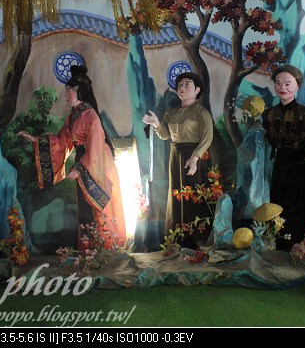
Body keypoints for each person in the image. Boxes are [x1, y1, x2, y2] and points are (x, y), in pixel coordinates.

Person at [17, 65, 125, 252]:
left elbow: (96, 146)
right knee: (84, 204)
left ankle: (104, 247)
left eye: (69, 91)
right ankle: (88, 247)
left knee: (96, 204)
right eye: (66, 91)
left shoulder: (90, 115)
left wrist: (81, 167)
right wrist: (36, 140)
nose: (66, 95)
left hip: (97, 162)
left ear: (80, 92)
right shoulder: (74, 116)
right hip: (84, 161)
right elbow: (61, 142)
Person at [142, 72, 214, 249]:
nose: (182, 88)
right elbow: (166, 135)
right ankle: (178, 236)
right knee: (176, 194)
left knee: (194, 194)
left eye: (187, 84)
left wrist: (195, 157)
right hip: (176, 156)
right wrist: (156, 124)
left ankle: (197, 237)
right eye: (180, 85)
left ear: (197, 90)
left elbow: (208, 137)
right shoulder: (171, 113)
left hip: (195, 156)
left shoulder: (201, 112)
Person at [261, 65, 305, 250]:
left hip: (302, 165)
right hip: (280, 164)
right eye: (278, 83)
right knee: (279, 202)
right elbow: (265, 139)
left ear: (297, 86)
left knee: (300, 206)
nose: (283, 87)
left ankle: (301, 244)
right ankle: (281, 242)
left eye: (288, 83)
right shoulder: (268, 114)